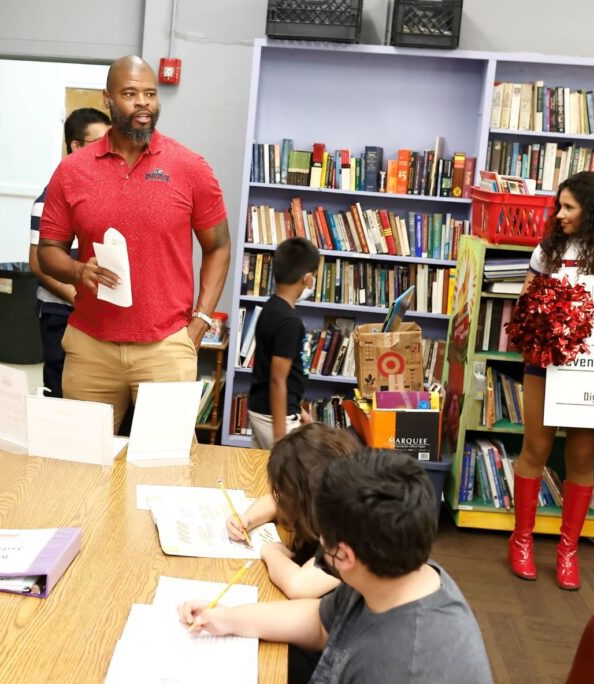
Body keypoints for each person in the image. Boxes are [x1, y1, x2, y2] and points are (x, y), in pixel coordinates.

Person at [180, 450, 493, 684]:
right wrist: (225, 618)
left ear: (343, 556)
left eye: (321, 537)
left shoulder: (396, 665)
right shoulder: (400, 573)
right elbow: (319, 622)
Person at [37, 55, 231, 431]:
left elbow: (219, 247)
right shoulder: (73, 170)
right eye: (130, 93)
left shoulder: (190, 167)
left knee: (163, 471)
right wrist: (77, 269)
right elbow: (47, 251)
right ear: (108, 99)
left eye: (150, 94)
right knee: (81, 467)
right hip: (91, 347)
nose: (143, 102)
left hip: (166, 348)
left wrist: (200, 322)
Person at [508, 170, 594, 590]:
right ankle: (521, 541)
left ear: (593, 210)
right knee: (535, 448)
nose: (560, 214)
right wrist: (545, 313)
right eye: (559, 205)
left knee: (582, 459)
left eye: (569, 207)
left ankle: (568, 550)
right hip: (546, 363)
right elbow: (525, 300)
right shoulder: (549, 249)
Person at [29, 108, 111, 397]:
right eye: (99, 142)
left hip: (94, 314)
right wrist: (76, 297)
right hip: (59, 311)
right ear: (76, 146)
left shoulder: (101, 193)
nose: (107, 149)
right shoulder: (50, 197)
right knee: (59, 389)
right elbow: (38, 264)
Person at [226, 423, 357, 599]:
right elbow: (276, 500)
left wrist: (271, 552)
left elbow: (298, 586)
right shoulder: (335, 493)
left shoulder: (353, 532)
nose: (280, 497)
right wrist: (247, 519)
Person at [246, 237, 321, 449]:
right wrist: (280, 437)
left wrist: (300, 410)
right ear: (307, 279)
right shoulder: (290, 322)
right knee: (288, 476)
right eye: (313, 278)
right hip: (276, 418)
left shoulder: (270, 308)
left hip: (262, 410)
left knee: (262, 474)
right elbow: (278, 380)